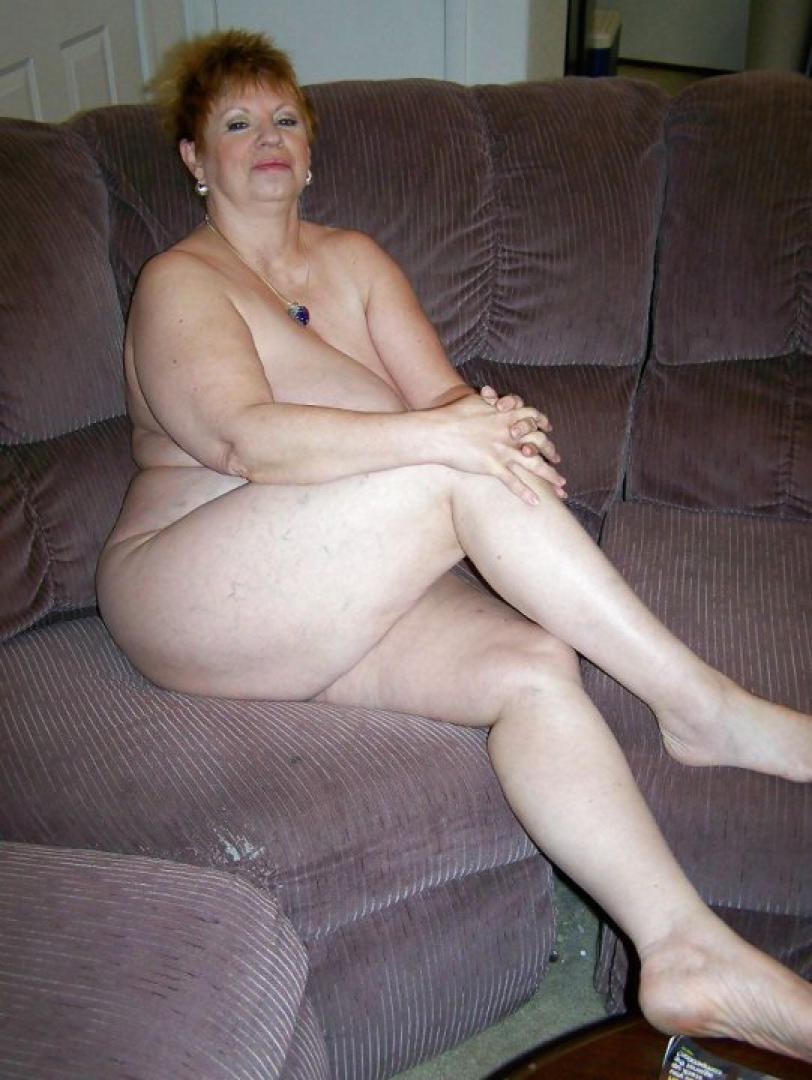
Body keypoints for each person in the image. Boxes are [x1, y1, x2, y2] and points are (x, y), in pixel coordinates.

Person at [96, 29, 812, 1063]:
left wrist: (501, 429)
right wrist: (455, 442)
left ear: (312, 149)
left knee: (531, 664)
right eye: (237, 123)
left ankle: (682, 949)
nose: (268, 137)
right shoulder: (180, 280)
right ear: (194, 160)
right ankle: (702, 707)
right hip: (192, 590)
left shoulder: (356, 262)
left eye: (286, 118)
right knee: (452, 469)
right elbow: (240, 438)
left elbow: (440, 399)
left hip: (333, 600)